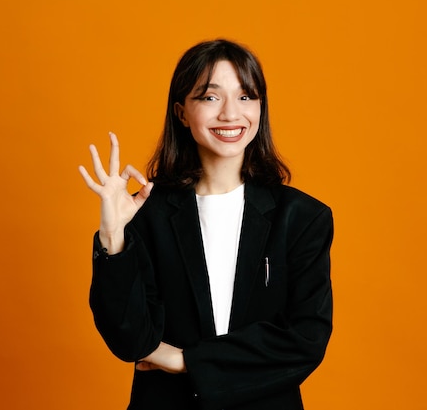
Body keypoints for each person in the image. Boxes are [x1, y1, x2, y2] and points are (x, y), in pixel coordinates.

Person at [79, 39, 333, 410]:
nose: (231, 113)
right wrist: (113, 236)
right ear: (181, 112)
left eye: (246, 96)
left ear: (261, 108)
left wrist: (185, 360)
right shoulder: (146, 212)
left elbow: (305, 339)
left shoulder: (302, 218)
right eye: (210, 98)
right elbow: (130, 340)